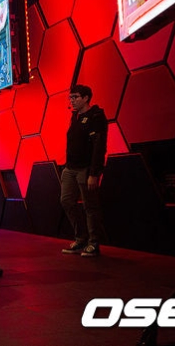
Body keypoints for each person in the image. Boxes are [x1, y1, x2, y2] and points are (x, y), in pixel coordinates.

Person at [60, 85, 108, 257]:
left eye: (75, 97)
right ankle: (81, 238)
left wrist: (94, 173)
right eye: (70, 97)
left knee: (90, 206)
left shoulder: (96, 116)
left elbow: (99, 147)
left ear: (86, 98)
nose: (72, 100)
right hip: (70, 168)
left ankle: (93, 243)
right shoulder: (75, 117)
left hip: (86, 169)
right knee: (66, 201)